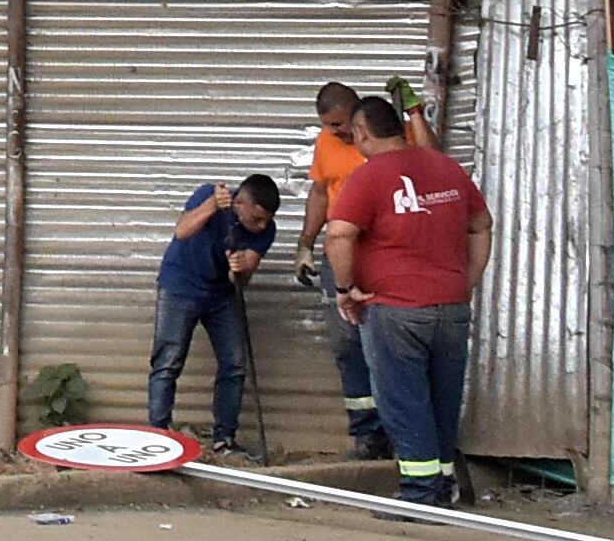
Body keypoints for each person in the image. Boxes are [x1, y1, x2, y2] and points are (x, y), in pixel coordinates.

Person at [323, 93, 494, 506]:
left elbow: (339, 234)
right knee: (443, 398)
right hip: (451, 308)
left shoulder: (369, 176)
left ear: (362, 132)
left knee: (404, 401)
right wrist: (466, 282)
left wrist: (346, 289)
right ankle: (445, 487)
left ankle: (420, 494)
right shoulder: (447, 167)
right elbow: (482, 225)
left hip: (395, 310)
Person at [148, 172, 280, 453]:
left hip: (221, 294)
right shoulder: (208, 194)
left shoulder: (266, 231)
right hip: (180, 286)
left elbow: (242, 282)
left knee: (234, 363)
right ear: (239, 204)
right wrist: (211, 206)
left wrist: (240, 269)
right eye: (256, 218)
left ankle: (224, 438)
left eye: (267, 219)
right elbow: (182, 230)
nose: (262, 225)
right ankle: (158, 433)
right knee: (168, 360)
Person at [293, 80, 389, 461]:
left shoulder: (381, 140)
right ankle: (367, 436)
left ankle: (399, 430)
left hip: (379, 252)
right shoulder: (326, 143)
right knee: (347, 346)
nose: (335, 132)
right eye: (329, 126)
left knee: (388, 342)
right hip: (339, 254)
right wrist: (305, 244)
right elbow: (320, 193)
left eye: (339, 124)